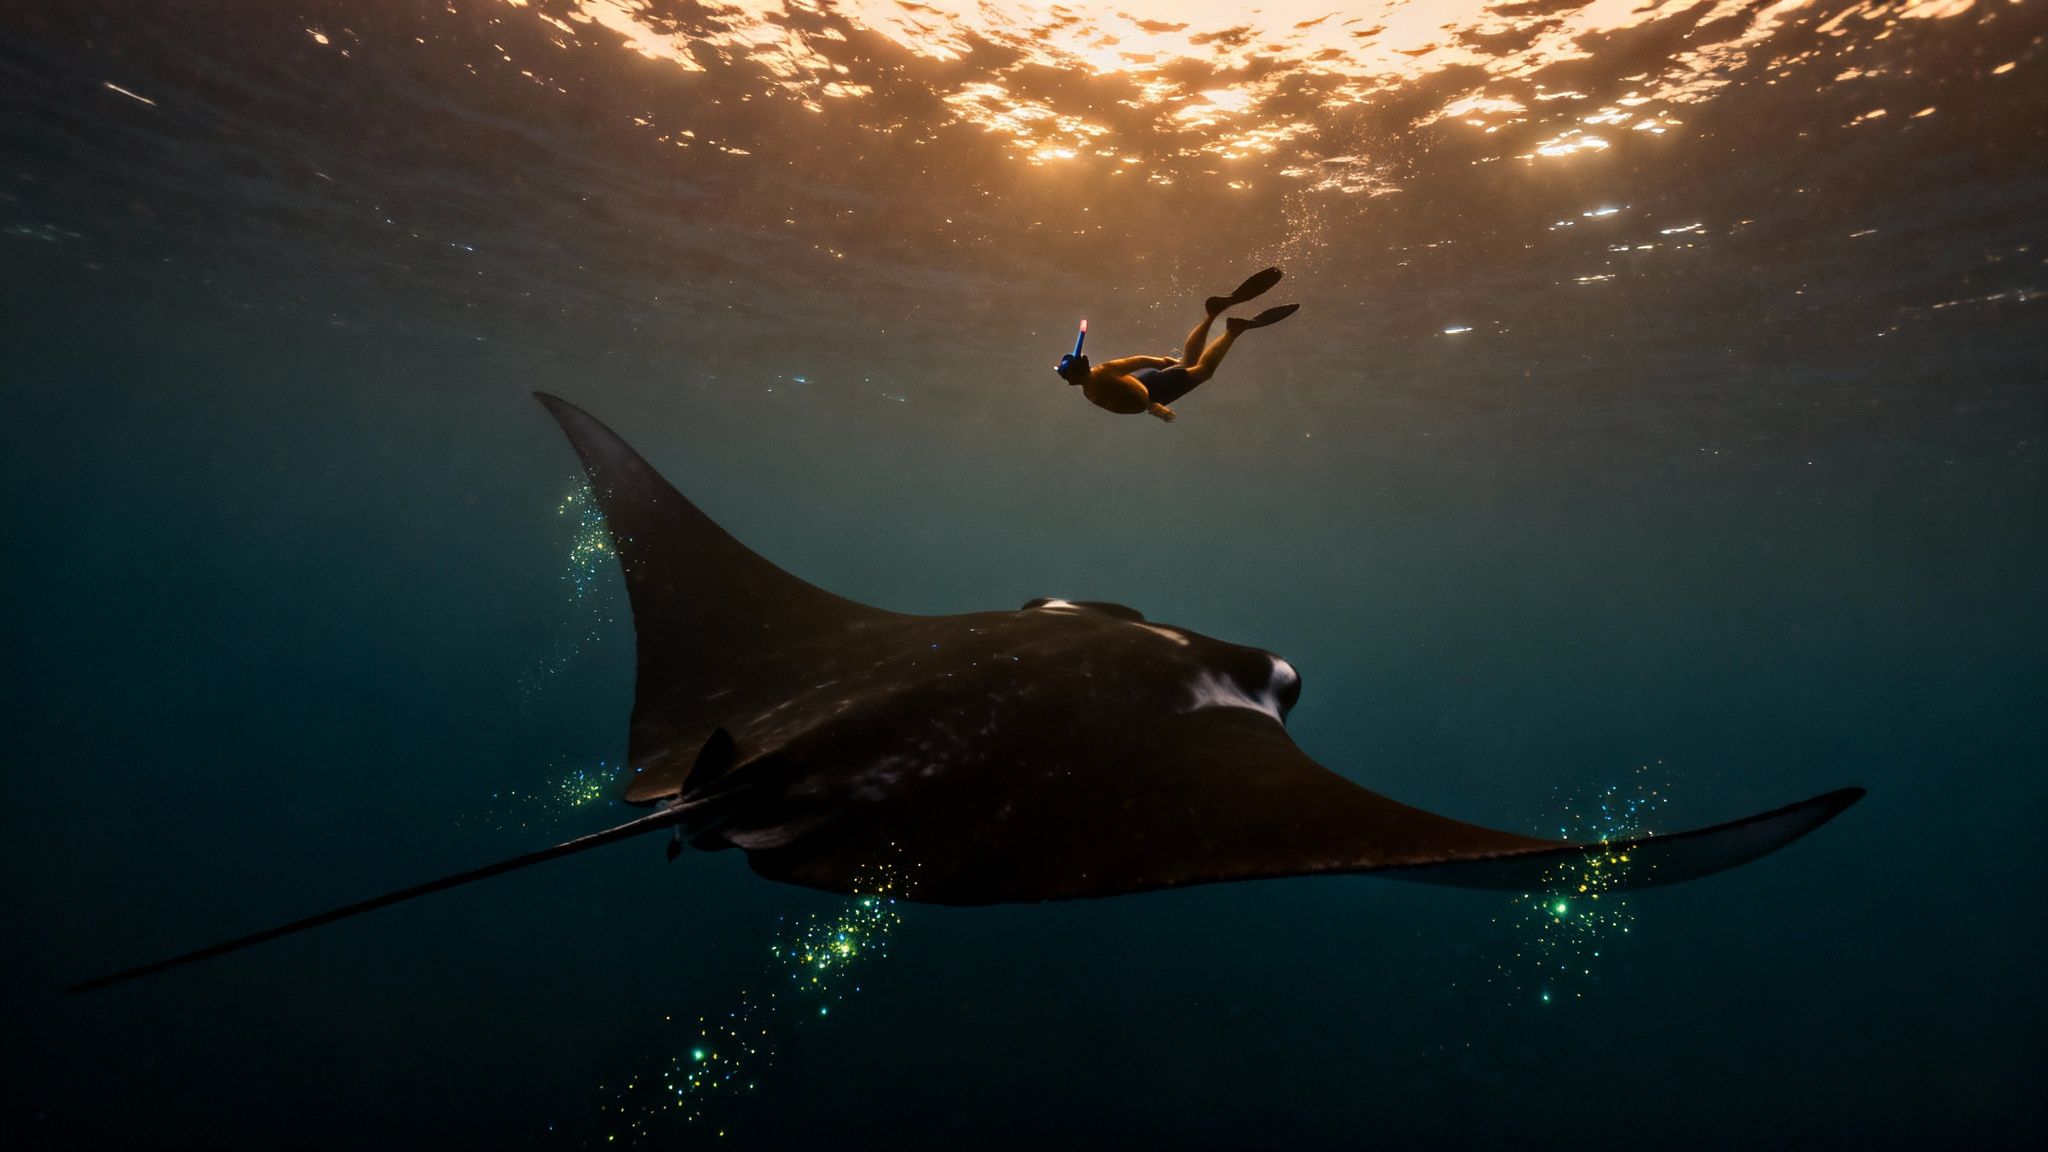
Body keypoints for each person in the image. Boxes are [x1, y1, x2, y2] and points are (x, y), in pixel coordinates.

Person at [1054, 267, 1298, 422]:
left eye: (1066, 378)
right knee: (1186, 363)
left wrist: (1152, 407)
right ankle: (1212, 315)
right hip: (1148, 382)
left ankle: (1233, 331)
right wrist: (1160, 362)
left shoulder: (1099, 378)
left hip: (1150, 391)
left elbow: (1131, 387)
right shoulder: (1100, 372)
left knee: (1203, 371)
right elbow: (1135, 361)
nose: (1068, 382)